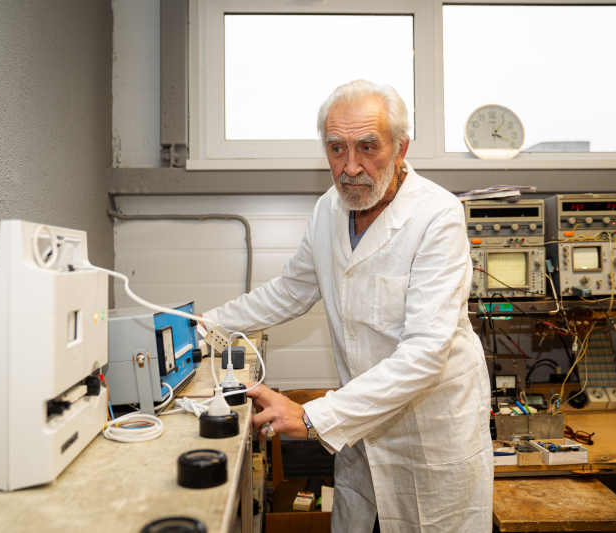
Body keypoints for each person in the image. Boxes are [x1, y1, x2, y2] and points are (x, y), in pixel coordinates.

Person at [201, 79, 493, 532]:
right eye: (336, 149)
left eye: (367, 148)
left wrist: (312, 415)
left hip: (429, 433)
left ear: (401, 148)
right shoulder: (329, 210)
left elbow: (425, 353)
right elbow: (291, 290)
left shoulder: (437, 215)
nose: (350, 167)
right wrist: (205, 325)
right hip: (360, 427)